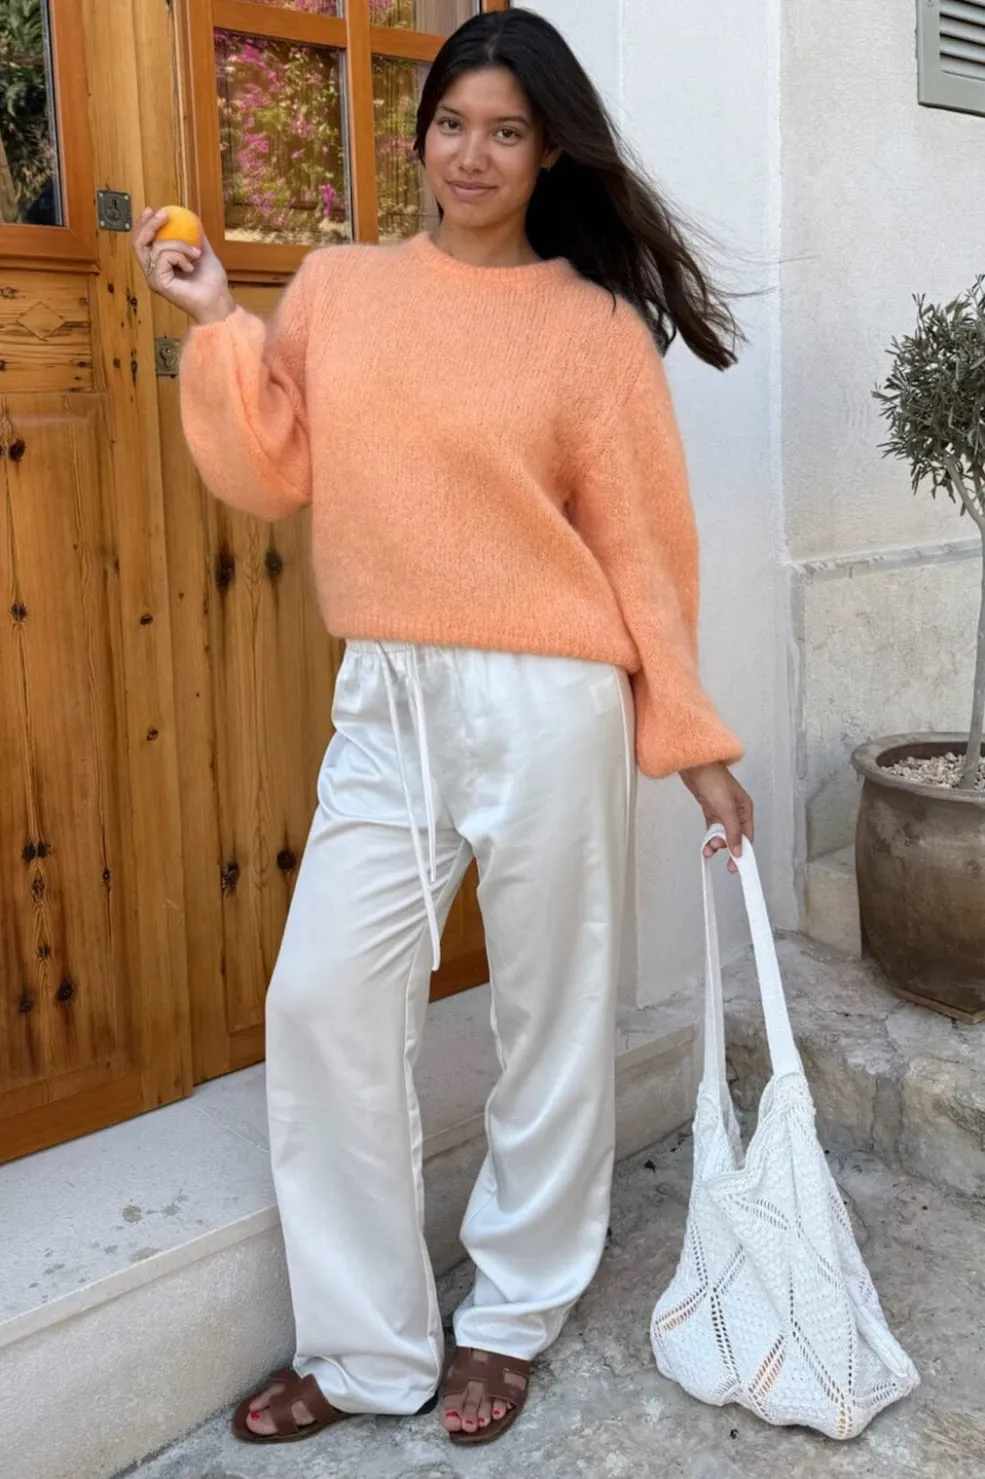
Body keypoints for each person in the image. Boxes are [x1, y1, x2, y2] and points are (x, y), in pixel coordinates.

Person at [133, 6, 753, 1451]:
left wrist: (695, 741)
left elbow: (644, 553)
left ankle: (514, 1312)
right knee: (322, 1002)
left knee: (551, 1016)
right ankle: (364, 1347)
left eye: (506, 131)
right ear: (421, 137)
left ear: (549, 154)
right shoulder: (340, 289)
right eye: (453, 125)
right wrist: (218, 320)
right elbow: (272, 470)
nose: (472, 154)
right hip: (390, 697)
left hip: (551, 700)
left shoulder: (593, 331)